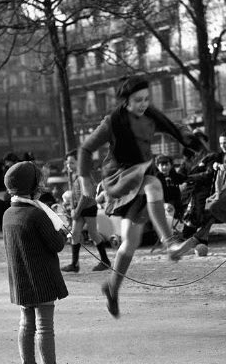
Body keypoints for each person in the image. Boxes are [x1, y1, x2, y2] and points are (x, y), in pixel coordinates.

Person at [77, 76, 197, 317]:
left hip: (139, 178)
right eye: (137, 100)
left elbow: (172, 127)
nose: (143, 104)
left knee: (130, 241)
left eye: (146, 99)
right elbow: (85, 149)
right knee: (154, 184)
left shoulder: (150, 115)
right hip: (119, 176)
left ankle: (112, 288)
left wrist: (188, 134)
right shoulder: (113, 121)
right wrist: (85, 181)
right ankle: (170, 244)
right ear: (126, 101)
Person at [2, 160, 75, 364]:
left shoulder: (8, 214)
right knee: (44, 327)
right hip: (41, 279)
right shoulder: (37, 214)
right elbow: (56, 245)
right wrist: (63, 232)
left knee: (26, 325)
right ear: (32, 185)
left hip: (21, 280)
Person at [60, 150, 112, 273]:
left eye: (72, 163)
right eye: (67, 163)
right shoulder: (74, 176)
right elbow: (74, 195)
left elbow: (86, 196)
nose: (69, 166)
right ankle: (74, 264)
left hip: (88, 207)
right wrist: (72, 209)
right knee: (75, 233)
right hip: (79, 209)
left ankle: (105, 261)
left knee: (93, 233)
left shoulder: (85, 176)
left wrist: (76, 211)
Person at [155, 154, 186, 221]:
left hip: (175, 203)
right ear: (157, 166)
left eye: (166, 165)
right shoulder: (157, 178)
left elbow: (184, 178)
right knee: (169, 208)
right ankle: (168, 229)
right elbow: (162, 192)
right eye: (162, 165)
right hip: (161, 202)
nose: (164, 167)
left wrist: (185, 182)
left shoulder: (174, 175)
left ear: (171, 165)